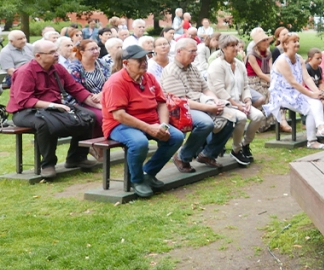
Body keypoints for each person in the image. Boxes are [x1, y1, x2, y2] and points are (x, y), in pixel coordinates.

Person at [8, 40, 103, 178]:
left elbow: (75, 89)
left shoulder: (57, 68)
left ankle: (76, 158)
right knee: (44, 123)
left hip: (53, 109)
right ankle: (48, 164)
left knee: (88, 116)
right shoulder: (25, 71)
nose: (56, 55)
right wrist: (54, 105)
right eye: (52, 52)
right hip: (25, 112)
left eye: (56, 51)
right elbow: (24, 100)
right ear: (38, 55)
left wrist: (97, 104)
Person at [102, 45, 185, 198]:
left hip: (149, 122)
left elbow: (161, 103)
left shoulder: (149, 77)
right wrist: (149, 128)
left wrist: (163, 126)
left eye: (145, 59)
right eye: (139, 60)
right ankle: (137, 180)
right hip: (120, 125)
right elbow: (119, 115)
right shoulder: (116, 82)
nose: (144, 62)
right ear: (126, 63)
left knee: (176, 137)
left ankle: (148, 173)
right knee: (139, 143)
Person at [162, 39, 236, 172]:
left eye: (196, 51)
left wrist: (215, 101)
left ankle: (208, 154)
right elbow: (181, 101)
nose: (195, 54)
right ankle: (182, 156)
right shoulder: (171, 71)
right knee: (205, 123)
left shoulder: (193, 67)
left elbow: (205, 88)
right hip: (179, 110)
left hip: (200, 104)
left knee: (231, 117)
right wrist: (209, 108)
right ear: (179, 51)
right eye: (192, 51)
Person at [264, 33, 324, 149]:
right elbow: (293, 82)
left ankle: (321, 128)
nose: (297, 43)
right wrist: (312, 94)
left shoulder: (299, 58)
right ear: (286, 44)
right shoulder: (282, 61)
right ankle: (312, 140)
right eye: (294, 41)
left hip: (295, 92)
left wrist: (317, 92)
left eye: (298, 41)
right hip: (282, 94)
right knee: (310, 107)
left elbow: (306, 78)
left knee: (316, 102)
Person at [207, 35, 267, 166]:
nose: (236, 48)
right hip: (223, 103)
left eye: (236, 45)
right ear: (223, 48)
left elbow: (245, 86)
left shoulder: (239, 64)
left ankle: (245, 144)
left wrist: (248, 101)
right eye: (232, 46)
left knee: (258, 116)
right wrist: (236, 105)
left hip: (239, 102)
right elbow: (219, 90)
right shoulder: (216, 65)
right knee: (241, 117)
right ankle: (236, 149)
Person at [247, 27, 275, 114]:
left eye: (267, 40)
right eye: (264, 40)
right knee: (266, 93)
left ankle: (278, 121)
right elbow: (259, 73)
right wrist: (273, 81)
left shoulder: (268, 53)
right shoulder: (252, 55)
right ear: (258, 43)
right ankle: (263, 122)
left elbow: (271, 69)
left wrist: (275, 79)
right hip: (254, 81)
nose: (266, 42)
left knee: (276, 92)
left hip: (267, 79)